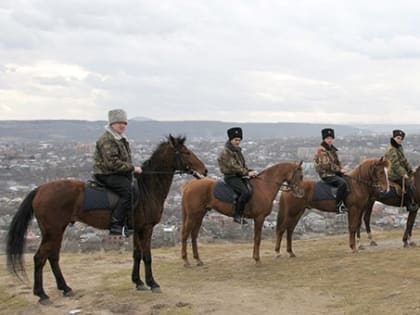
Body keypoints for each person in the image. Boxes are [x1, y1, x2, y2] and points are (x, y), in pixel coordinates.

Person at [93, 109, 143, 235]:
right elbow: (112, 163)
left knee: (136, 189)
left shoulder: (120, 138)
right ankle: (115, 224)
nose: (122, 125)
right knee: (128, 192)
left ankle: (130, 223)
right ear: (111, 124)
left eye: (124, 123)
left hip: (118, 173)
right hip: (106, 174)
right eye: (119, 122)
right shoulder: (107, 139)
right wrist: (132, 168)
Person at [217, 127, 258, 224]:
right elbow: (234, 166)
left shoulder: (237, 150)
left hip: (239, 175)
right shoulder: (226, 152)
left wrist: (250, 171)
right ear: (231, 139)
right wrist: (247, 173)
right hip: (231, 177)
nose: (238, 142)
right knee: (246, 192)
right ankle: (238, 215)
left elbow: (242, 165)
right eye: (236, 140)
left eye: (239, 140)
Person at [314, 128, 350, 214]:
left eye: (331, 138)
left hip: (334, 173)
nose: (329, 140)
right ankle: (339, 206)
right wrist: (340, 170)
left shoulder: (332, 149)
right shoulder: (322, 150)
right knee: (342, 184)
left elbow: (338, 162)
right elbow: (327, 166)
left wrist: (342, 169)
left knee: (349, 180)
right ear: (324, 139)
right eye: (327, 138)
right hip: (326, 174)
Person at [384, 129, 418, 212]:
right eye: (398, 138)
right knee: (408, 185)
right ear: (394, 138)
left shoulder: (398, 148)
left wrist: (410, 170)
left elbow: (404, 160)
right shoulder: (392, 149)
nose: (400, 140)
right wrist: (403, 173)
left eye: (401, 139)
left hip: (398, 172)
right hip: (392, 173)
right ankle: (409, 204)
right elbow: (395, 164)